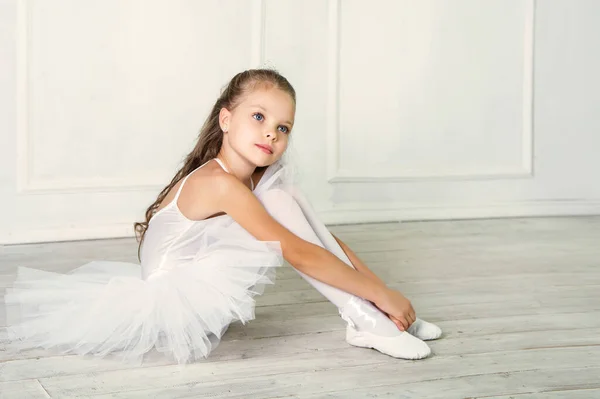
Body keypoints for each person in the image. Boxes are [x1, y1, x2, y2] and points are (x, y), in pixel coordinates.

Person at [4, 69, 441, 365]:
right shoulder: (219, 183)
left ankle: (372, 314)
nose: (272, 131)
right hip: (178, 307)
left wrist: (384, 291)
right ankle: (366, 319)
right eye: (259, 116)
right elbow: (299, 253)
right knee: (283, 212)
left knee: (286, 199)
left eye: (283, 126)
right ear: (226, 120)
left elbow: (324, 239)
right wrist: (383, 295)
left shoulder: (257, 180)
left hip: (206, 288)